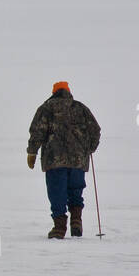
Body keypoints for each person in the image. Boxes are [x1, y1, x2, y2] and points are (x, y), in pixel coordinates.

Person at [27, 81, 101, 239]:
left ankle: (59, 228)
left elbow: (37, 131)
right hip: (78, 161)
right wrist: (89, 149)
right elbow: (95, 129)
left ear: (54, 92)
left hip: (55, 160)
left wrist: (32, 152)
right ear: (68, 92)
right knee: (76, 191)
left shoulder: (46, 108)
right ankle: (76, 222)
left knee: (57, 192)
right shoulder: (80, 108)